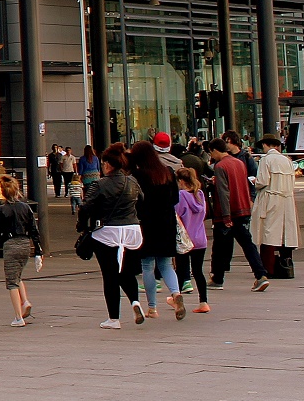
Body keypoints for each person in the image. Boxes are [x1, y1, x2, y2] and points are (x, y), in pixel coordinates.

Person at [77, 143, 144, 329]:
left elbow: (85, 206)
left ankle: (114, 318)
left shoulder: (100, 184)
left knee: (110, 275)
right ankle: (135, 302)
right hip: (132, 230)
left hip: (108, 231)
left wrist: (82, 225)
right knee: (127, 272)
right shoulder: (132, 182)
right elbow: (142, 202)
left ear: (107, 164)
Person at [130, 141, 185, 322]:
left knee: (147, 266)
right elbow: (175, 198)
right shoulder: (167, 172)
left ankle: (152, 308)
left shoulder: (137, 175)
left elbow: (136, 201)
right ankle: (176, 294)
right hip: (167, 222)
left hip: (146, 223)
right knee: (166, 264)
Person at [207, 138, 268, 292]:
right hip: (242, 208)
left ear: (214, 151)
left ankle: (218, 278)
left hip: (227, 213)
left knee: (220, 247)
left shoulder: (220, 166)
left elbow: (223, 192)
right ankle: (260, 275)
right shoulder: (239, 162)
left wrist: (226, 216)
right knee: (248, 244)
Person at [250, 136, 299, 279]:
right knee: (285, 233)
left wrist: (254, 181)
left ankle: (268, 268)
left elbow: (262, 181)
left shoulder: (266, 160)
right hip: (287, 199)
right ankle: (286, 265)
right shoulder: (287, 161)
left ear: (266, 145)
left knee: (267, 233)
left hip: (270, 199)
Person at [0, 174, 41, 326]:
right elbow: (34, 229)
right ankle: (25, 300)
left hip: (11, 244)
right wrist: (38, 252)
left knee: (11, 282)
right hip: (25, 244)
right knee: (18, 275)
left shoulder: (2, 209)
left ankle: (18, 317)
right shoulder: (25, 207)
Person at [174, 166, 211, 313]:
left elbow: (176, 215)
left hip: (185, 239)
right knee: (198, 271)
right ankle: (203, 302)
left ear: (181, 181)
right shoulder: (199, 194)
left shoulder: (181, 195)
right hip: (200, 238)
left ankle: (177, 298)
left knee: (181, 271)